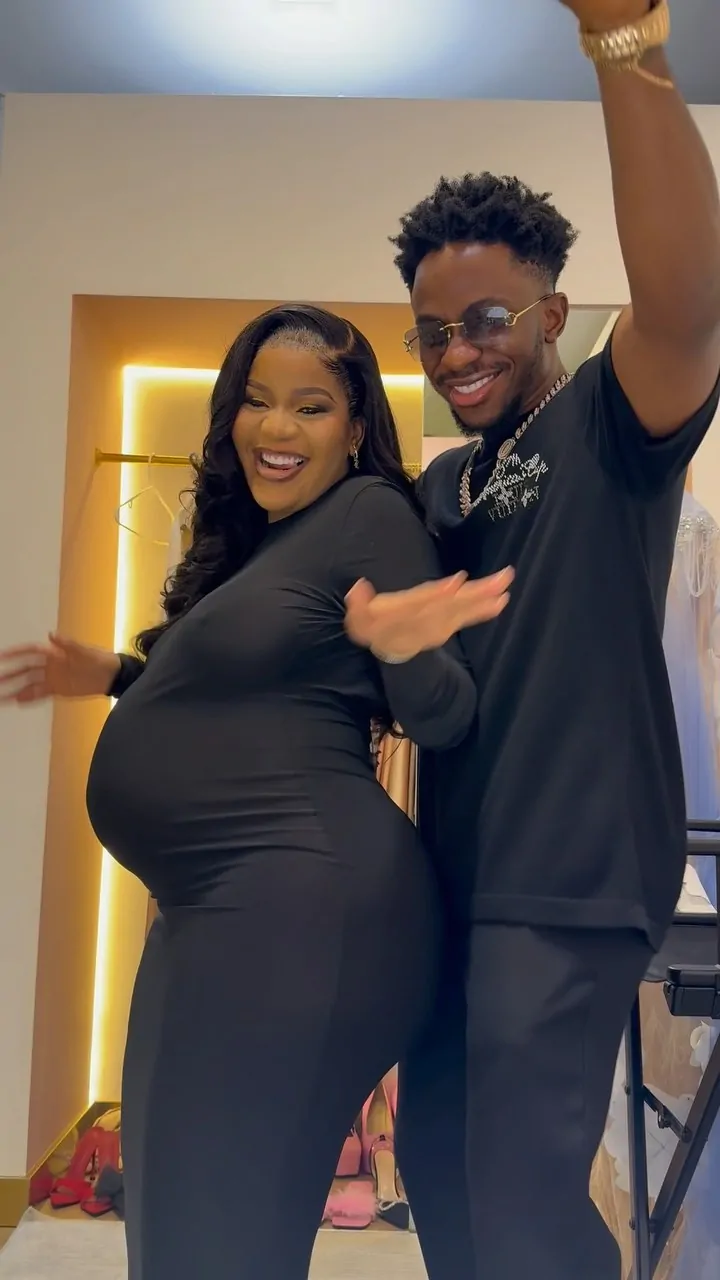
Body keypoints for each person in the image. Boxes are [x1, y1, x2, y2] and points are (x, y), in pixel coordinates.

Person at [0, 304, 512, 1279]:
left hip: (301, 908)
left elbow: (445, 714)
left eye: (310, 407)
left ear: (356, 426)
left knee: (219, 1230)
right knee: (175, 1213)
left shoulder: (370, 513)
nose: (276, 427)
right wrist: (120, 674)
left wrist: (405, 649)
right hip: (217, 910)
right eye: (256, 400)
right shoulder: (266, 545)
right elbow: (256, 691)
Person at [344, 3, 720, 1278]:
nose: (457, 352)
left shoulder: (610, 424)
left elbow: (687, 300)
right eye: (432, 331)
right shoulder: (445, 486)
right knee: (447, 1181)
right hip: (452, 882)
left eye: (488, 319)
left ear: (554, 310)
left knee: (516, 1204)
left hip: (567, 873)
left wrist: (627, 48)